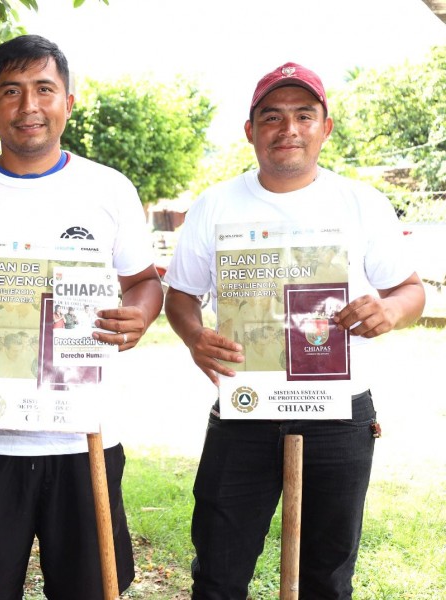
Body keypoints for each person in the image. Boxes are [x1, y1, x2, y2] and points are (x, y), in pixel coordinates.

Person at [0, 34, 164, 600]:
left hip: (84, 436)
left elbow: (144, 283)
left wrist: (137, 317)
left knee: (91, 590)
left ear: (68, 101)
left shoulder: (109, 189)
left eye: (44, 89)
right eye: (11, 91)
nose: (28, 107)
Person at [164, 62, 425, 599]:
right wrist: (194, 337)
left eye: (304, 115)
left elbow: (412, 290)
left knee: (328, 577)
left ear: (326, 127)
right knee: (218, 570)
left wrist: (390, 311)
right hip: (245, 407)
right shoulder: (215, 205)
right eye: (272, 117)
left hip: (338, 413)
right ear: (250, 130)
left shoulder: (362, 203)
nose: (288, 129)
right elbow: (180, 296)